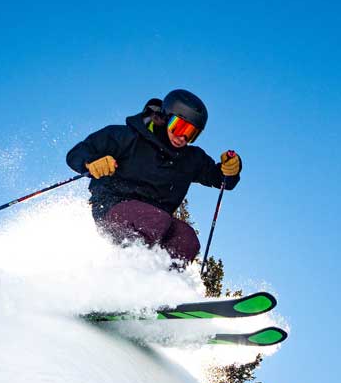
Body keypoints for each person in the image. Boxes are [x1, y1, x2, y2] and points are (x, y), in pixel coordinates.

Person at [65, 89, 241, 265]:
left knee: (186, 238)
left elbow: (223, 180)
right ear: (165, 117)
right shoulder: (128, 137)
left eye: (191, 133)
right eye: (179, 126)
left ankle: (167, 282)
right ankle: (131, 272)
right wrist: (91, 162)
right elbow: (76, 154)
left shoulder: (191, 159)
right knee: (155, 219)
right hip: (113, 209)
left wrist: (231, 168)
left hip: (157, 224)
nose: (182, 137)